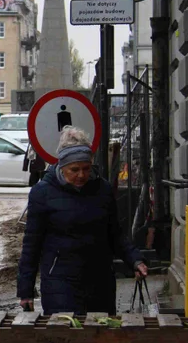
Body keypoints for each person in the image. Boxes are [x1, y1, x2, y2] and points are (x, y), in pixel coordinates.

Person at [17, 126, 147, 315]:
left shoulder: (103, 190)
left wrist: (135, 260)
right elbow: (31, 245)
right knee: (66, 336)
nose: (81, 175)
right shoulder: (42, 193)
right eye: (74, 169)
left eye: (86, 169)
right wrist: (25, 291)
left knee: (98, 336)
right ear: (62, 167)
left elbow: (115, 234)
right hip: (59, 282)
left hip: (99, 281)